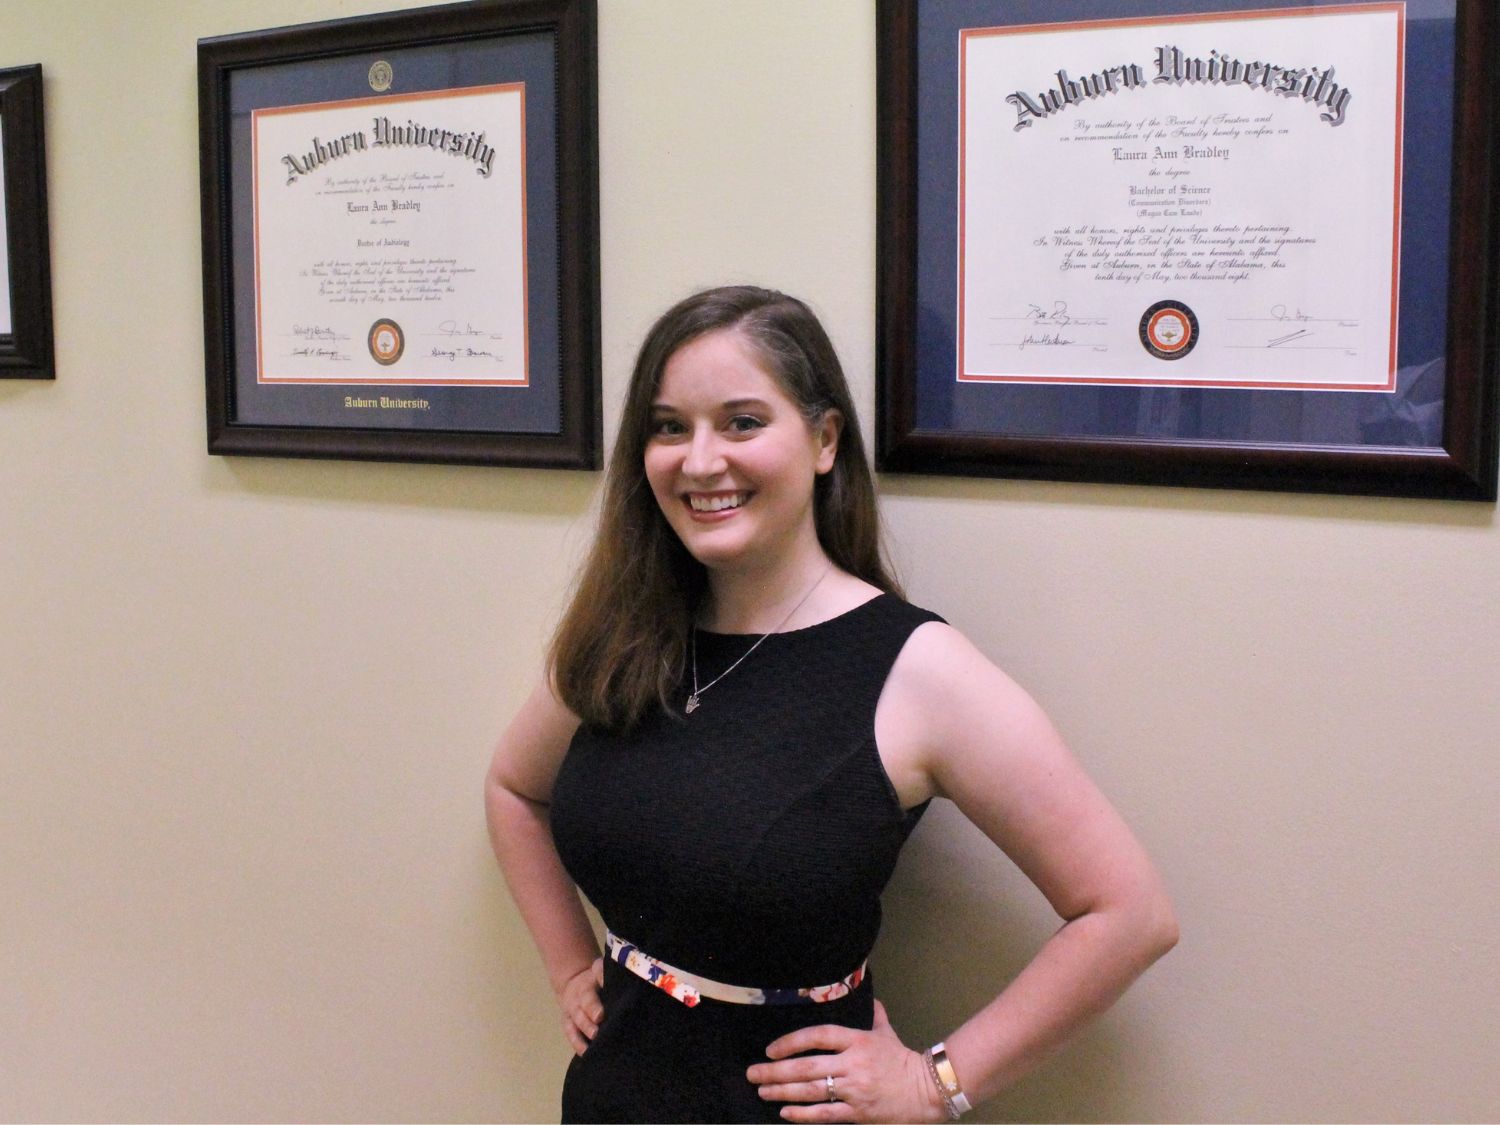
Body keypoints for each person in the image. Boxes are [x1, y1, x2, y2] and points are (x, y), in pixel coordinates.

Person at [485, 286, 1178, 1123]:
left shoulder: (918, 670)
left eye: (742, 422)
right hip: (612, 1099)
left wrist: (932, 1084)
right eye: (669, 427)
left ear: (824, 439)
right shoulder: (626, 633)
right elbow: (514, 788)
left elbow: (1129, 912)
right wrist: (569, 965)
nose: (699, 461)